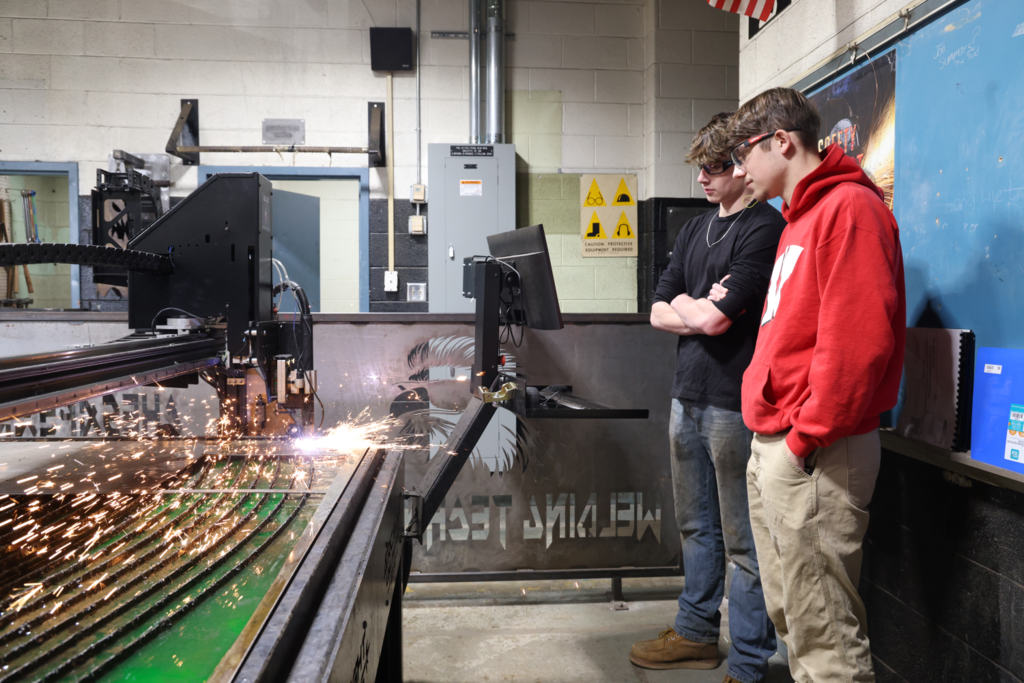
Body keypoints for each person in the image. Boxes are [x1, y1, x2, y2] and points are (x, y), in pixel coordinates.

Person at [721, 87, 906, 683]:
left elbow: (857, 344)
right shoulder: (799, 217)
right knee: (795, 617)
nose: (738, 169)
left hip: (818, 447)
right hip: (778, 440)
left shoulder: (849, 209)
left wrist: (806, 440)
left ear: (781, 141)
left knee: (825, 633)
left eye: (744, 153)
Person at [630, 112, 784, 683]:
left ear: (744, 167)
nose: (703, 177)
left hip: (732, 402)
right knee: (696, 526)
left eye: (715, 166)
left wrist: (696, 313)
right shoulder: (695, 229)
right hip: (686, 395)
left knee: (743, 540)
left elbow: (719, 323)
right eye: (699, 166)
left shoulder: (764, 227)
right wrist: (699, 310)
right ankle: (696, 633)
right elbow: (657, 309)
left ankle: (747, 665)